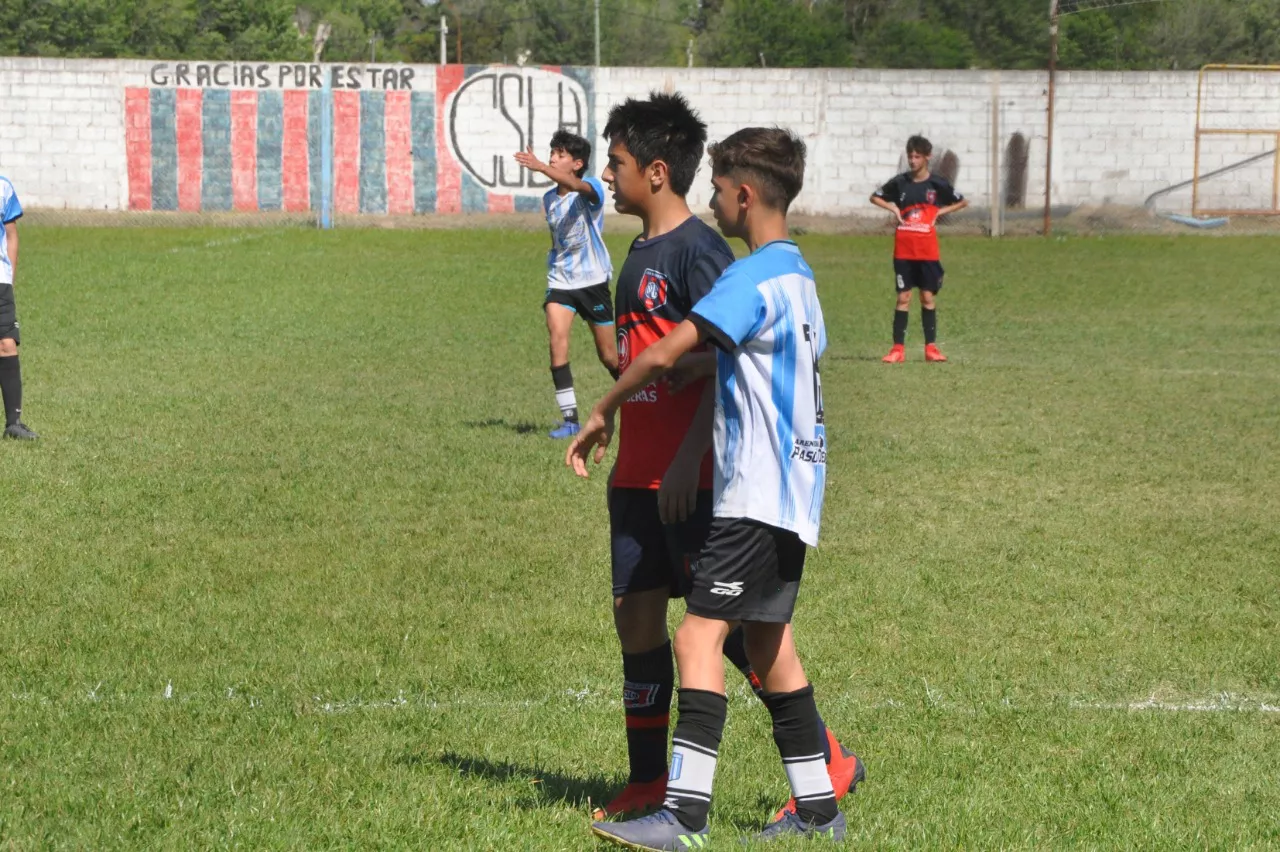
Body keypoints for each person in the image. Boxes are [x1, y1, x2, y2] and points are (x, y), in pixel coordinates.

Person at [576, 117, 857, 848]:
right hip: (796, 492)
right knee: (767, 645)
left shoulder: (746, 276)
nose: (712, 202)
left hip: (753, 493)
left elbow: (664, 353)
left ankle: (684, 816)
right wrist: (708, 364)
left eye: (718, 190)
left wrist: (603, 408)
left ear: (743, 196)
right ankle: (819, 808)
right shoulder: (799, 278)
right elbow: (756, 360)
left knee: (697, 638)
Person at [514, 130, 618, 439]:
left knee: (608, 356)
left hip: (593, 281)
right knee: (557, 339)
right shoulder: (549, 199)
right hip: (560, 280)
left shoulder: (591, 189)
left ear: (577, 163)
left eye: (560, 155)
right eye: (552, 153)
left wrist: (540, 167)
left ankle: (641, 398)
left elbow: (576, 186)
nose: (552, 158)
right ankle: (570, 420)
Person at [870, 135, 968, 364]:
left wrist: (938, 212)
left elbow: (962, 201)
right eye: (910, 156)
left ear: (927, 157)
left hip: (927, 250)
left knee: (926, 296)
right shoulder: (900, 183)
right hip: (904, 250)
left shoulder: (936, 184)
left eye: (917, 157)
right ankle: (897, 350)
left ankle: (931, 348)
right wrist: (894, 209)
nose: (913, 161)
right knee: (903, 297)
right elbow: (875, 197)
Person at [0, 175, 35, 440]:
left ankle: (14, 423)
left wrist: (9, 278)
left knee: (7, 343)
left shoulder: (3, 187)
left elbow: (11, 235)